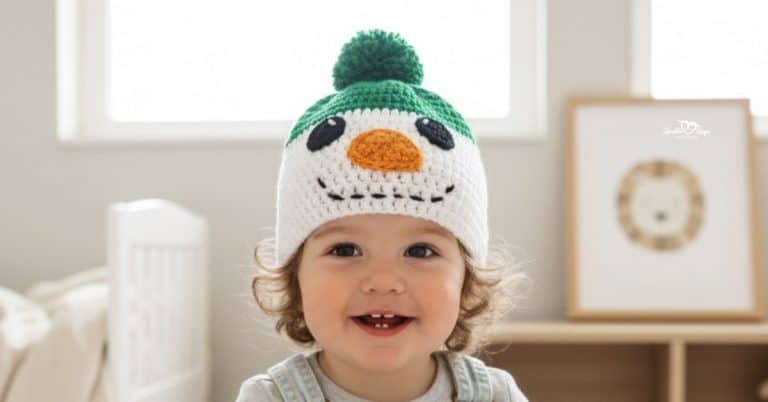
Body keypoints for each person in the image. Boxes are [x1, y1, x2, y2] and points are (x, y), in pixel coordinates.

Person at [236, 29, 530, 402]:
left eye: (420, 251)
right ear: (295, 277)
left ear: (466, 282)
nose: (383, 282)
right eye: (344, 250)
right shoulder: (271, 397)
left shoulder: (494, 395)